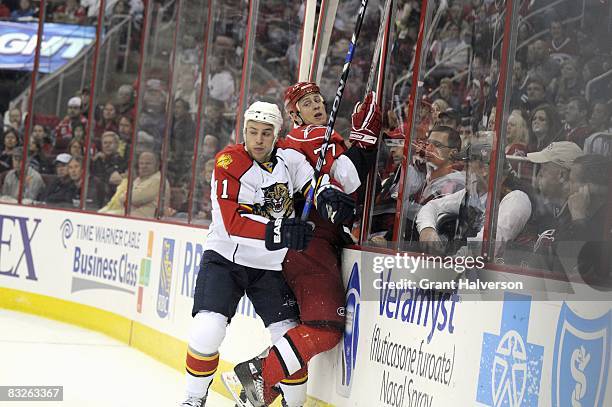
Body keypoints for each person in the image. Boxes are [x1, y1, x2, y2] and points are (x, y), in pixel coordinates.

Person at [179, 101, 355, 407]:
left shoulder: (290, 159)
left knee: (287, 335)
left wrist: (328, 192)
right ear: (244, 131)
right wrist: (282, 230)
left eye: (265, 133)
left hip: (269, 267)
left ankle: (294, 403)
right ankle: (193, 398)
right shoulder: (227, 163)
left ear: (276, 135)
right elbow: (232, 222)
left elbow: (311, 179)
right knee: (208, 330)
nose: (258, 140)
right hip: (225, 260)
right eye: (252, 132)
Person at [231, 83, 380, 407]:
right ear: (293, 113)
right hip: (311, 246)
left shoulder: (291, 146)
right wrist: (364, 144)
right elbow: (349, 179)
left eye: (318, 100)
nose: (316, 105)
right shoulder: (312, 136)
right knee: (325, 328)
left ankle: (262, 390)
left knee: (305, 329)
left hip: (301, 248)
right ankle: (260, 372)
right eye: (306, 102)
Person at [417, 138, 532, 257]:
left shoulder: (516, 199)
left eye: (467, 167)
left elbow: (486, 245)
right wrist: (427, 229)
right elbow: (432, 206)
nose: (462, 172)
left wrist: (452, 261)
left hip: (506, 273)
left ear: (483, 169)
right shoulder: (473, 193)